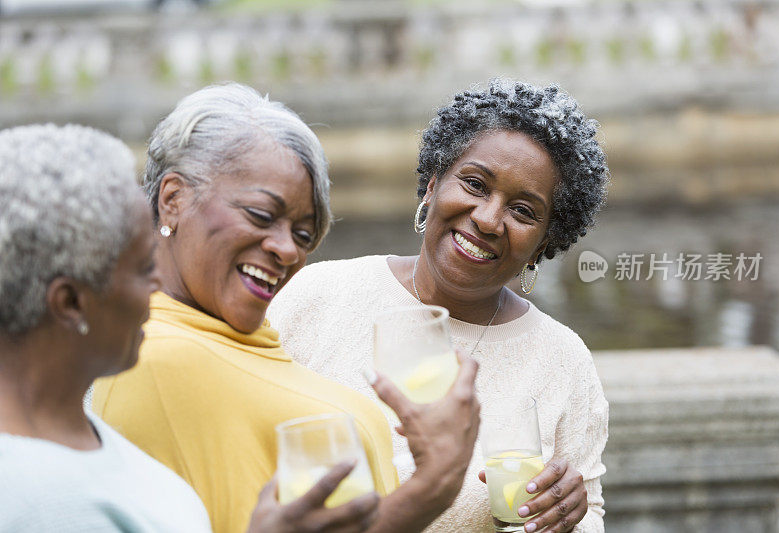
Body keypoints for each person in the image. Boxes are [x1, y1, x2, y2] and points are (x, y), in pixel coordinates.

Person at [92, 83, 481, 533]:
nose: (287, 250)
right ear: (173, 199)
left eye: (303, 234)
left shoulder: (224, 338)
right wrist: (432, 486)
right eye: (260, 215)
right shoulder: (158, 356)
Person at [268, 79, 611, 533]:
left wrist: (568, 515)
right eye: (474, 184)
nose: (488, 219)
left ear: (544, 242)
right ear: (432, 186)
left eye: (524, 211)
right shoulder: (317, 296)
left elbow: (589, 518)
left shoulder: (562, 361)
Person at [0, 124, 212, 531]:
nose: (157, 285)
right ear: (70, 302)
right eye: (144, 267)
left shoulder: (78, 437)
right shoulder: (38, 503)